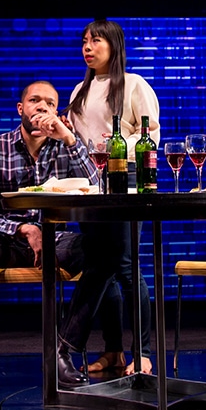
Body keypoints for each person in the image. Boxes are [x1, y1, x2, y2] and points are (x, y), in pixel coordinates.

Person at [0, 80, 123, 406]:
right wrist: (23, 229)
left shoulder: (66, 147)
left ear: (57, 112)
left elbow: (100, 187)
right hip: (8, 240)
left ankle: (64, 352)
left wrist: (70, 139)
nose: (41, 107)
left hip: (54, 241)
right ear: (21, 109)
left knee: (109, 250)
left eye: (49, 103)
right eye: (34, 101)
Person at [65, 19, 159, 377]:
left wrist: (113, 147)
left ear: (114, 45)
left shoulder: (133, 84)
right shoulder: (79, 90)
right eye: (85, 41)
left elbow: (151, 132)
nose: (88, 47)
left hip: (125, 181)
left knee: (125, 267)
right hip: (90, 186)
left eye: (96, 40)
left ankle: (144, 352)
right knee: (99, 266)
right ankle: (113, 350)